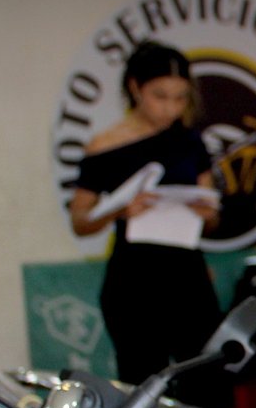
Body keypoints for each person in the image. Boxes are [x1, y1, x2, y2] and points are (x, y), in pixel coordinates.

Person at [67, 42, 224, 388]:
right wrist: (120, 210)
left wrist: (204, 211)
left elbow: (211, 218)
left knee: (206, 379)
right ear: (135, 88)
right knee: (143, 380)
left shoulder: (190, 142)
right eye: (160, 96)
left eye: (180, 97)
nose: (170, 107)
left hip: (187, 273)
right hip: (134, 277)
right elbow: (80, 221)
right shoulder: (105, 145)